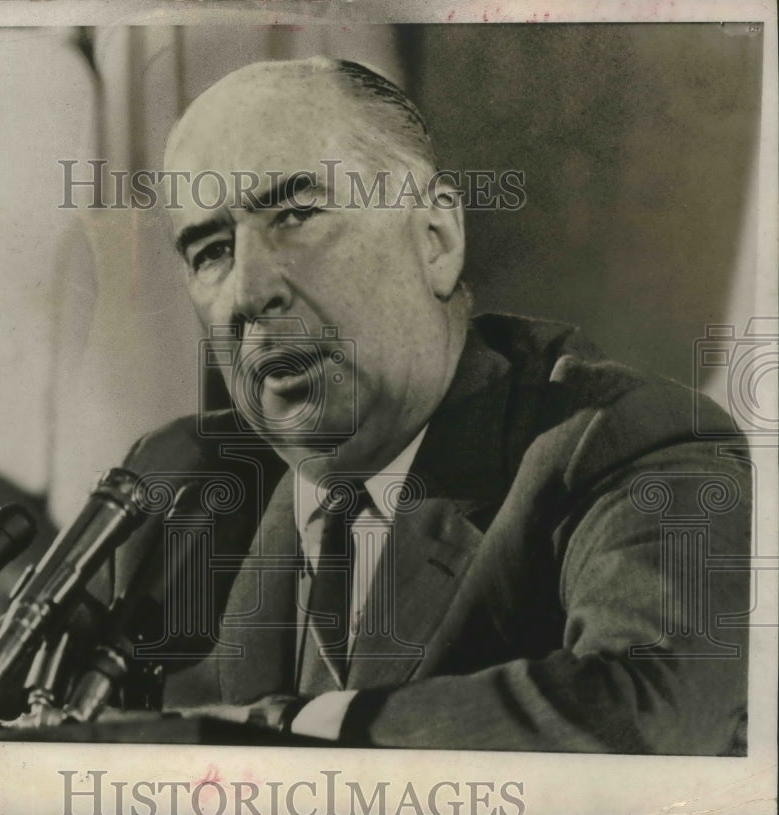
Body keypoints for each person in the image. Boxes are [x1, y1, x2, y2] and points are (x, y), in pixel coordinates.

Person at [105, 57, 751, 754]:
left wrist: (273, 731)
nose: (248, 291)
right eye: (210, 250)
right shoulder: (185, 485)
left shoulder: (629, 442)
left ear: (436, 239)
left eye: (294, 215)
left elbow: (654, 711)